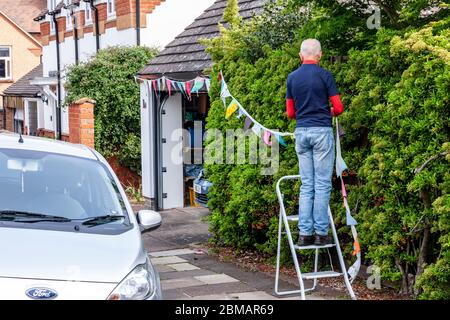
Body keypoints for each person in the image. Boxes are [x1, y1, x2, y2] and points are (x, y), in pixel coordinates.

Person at [286, 39, 344, 246]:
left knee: (307, 184)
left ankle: (304, 235)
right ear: (319, 55)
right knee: (321, 184)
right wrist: (327, 111)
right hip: (322, 132)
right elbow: (338, 108)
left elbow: (291, 113)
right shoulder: (325, 75)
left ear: (301, 55)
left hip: (301, 132)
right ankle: (320, 233)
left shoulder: (292, 78)